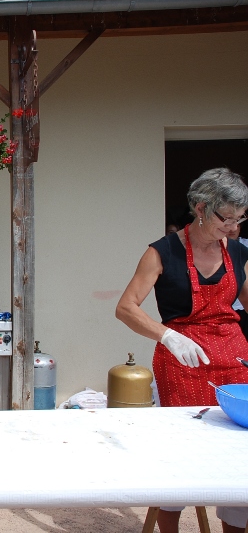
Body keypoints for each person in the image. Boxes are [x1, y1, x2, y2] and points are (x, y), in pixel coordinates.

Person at [115, 168, 248, 533]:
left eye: (239, 219)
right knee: (180, 452)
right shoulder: (162, 252)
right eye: (226, 218)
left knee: (237, 455)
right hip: (182, 363)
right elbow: (126, 307)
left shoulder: (238, 253)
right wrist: (168, 337)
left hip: (234, 364)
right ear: (201, 208)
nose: (233, 227)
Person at [226, 223, 248, 341]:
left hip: (244, 307)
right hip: (226, 308)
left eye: (238, 225)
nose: (233, 229)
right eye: (229, 224)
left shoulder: (245, 245)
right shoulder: (214, 248)